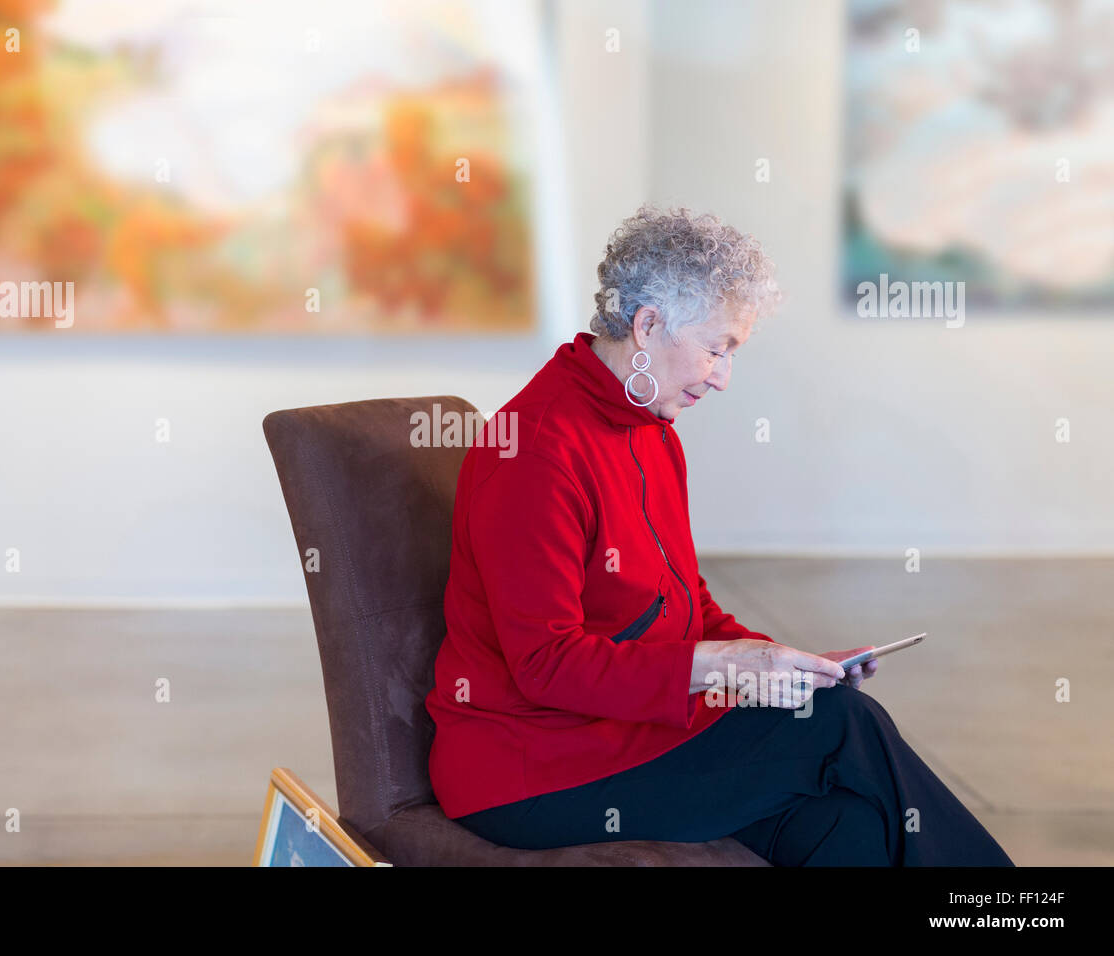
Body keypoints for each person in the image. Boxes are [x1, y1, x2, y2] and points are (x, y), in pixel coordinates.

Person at [423, 205, 1013, 866]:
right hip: (532, 766)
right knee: (845, 726)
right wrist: (724, 667)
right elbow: (546, 666)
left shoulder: (651, 431)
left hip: (631, 729)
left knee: (849, 823)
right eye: (716, 347)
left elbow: (689, 608)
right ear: (647, 326)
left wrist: (783, 663)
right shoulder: (533, 451)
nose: (723, 376)